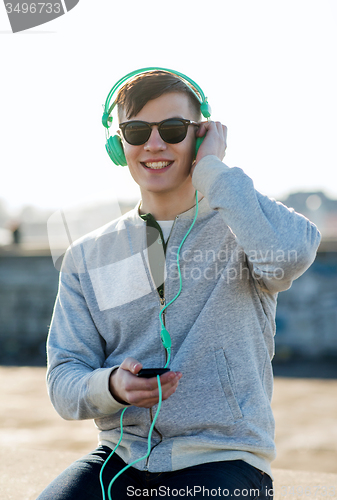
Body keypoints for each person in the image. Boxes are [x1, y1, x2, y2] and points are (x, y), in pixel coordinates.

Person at [38, 69, 321, 499]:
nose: (154, 144)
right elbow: (63, 379)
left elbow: (290, 256)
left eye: (172, 129)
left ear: (200, 135)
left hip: (223, 459)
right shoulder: (88, 254)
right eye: (136, 131)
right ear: (120, 146)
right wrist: (111, 386)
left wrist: (213, 170)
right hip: (121, 457)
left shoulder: (242, 226)